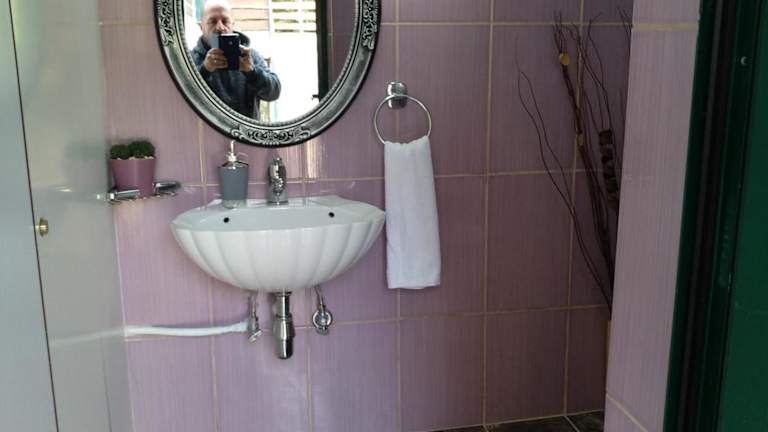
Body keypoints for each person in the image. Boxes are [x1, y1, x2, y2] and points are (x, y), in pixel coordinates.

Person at [190, 0, 281, 118]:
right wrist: (204, 70)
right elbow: (183, 97)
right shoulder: (190, 59)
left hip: (245, 129)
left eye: (225, 21)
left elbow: (274, 93)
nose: (220, 27)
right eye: (212, 21)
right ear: (201, 26)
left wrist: (252, 72)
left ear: (233, 24)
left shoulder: (250, 56)